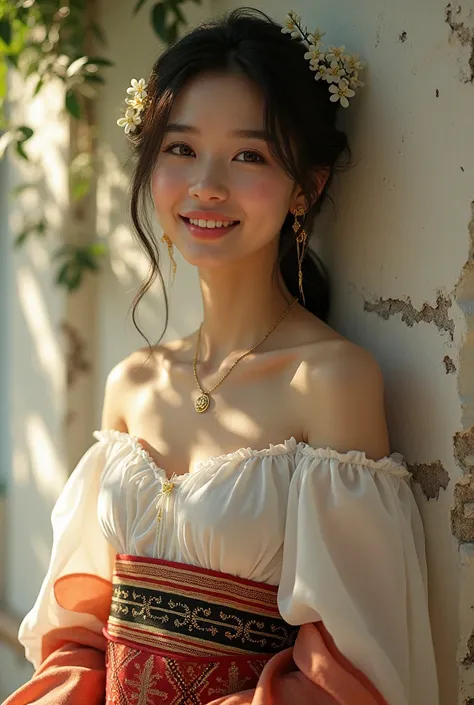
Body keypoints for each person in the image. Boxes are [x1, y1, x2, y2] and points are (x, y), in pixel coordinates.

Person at [5, 8, 439, 705]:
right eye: (181, 149)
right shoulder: (132, 384)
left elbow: (349, 668)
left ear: (308, 186)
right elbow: (80, 635)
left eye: (248, 155)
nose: (207, 183)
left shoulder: (330, 381)